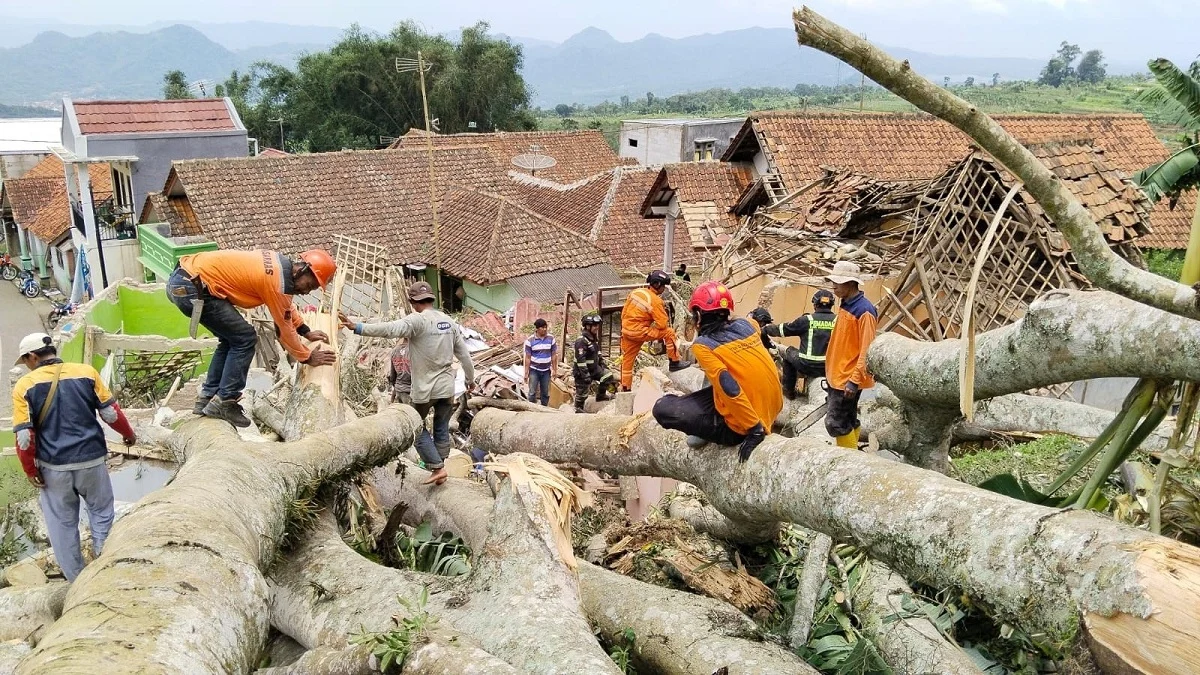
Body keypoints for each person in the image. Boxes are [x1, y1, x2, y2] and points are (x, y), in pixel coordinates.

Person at [11, 333, 137, 581]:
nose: (26, 365)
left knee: (63, 526)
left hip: (53, 468)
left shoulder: (25, 386)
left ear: (33, 356)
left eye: (25, 360)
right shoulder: (86, 372)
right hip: (91, 461)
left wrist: (30, 470)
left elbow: (24, 436)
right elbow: (111, 414)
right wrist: (128, 435)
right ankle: (104, 568)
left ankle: (77, 582)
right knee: (101, 513)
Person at [167, 248, 338, 427]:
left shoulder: (281, 269)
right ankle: (226, 400)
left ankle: (208, 398)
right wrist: (308, 357)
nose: (307, 292)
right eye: (310, 285)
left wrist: (304, 330)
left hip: (185, 280)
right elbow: (284, 330)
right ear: (302, 270)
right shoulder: (278, 283)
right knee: (245, 338)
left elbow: (284, 308)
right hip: (193, 287)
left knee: (230, 339)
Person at [341, 281, 476, 486]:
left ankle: (437, 468)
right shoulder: (449, 322)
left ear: (413, 302)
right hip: (447, 388)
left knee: (414, 428)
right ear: (432, 298)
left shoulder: (417, 320)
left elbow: (390, 329)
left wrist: (358, 327)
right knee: (440, 426)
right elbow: (465, 356)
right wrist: (470, 380)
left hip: (425, 390)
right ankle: (442, 465)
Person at [652, 282, 782, 463]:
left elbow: (729, 387)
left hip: (741, 426)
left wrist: (754, 429)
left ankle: (704, 433)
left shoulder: (704, 346)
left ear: (697, 315)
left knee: (663, 408)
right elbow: (754, 322)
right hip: (771, 409)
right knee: (712, 382)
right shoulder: (747, 325)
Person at [823, 261, 878, 449]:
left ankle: (848, 456)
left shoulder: (865, 311)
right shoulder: (846, 304)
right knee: (849, 418)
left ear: (851, 283)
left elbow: (866, 350)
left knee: (835, 423)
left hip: (847, 377)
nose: (834, 286)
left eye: (838, 282)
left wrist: (854, 380)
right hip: (838, 374)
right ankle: (853, 450)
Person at [761, 290, 838, 399]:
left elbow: (782, 330)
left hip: (806, 365)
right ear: (831, 305)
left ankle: (789, 392)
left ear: (815, 305)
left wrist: (765, 329)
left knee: (788, 352)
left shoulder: (806, 320)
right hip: (829, 368)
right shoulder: (839, 321)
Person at [620, 270, 685, 391]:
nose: (664, 289)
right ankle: (674, 362)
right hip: (640, 331)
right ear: (657, 284)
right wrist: (652, 326)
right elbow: (662, 324)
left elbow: (624, 313)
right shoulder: (655, 301)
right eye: (663, 286)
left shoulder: (636, 292)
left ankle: (625, 387)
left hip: (627, 330)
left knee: (627, 360)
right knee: (669, 332)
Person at [572, 313, 615, 413]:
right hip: (582, 372)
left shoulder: (593, 339)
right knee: (582, 393)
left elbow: (597, 353)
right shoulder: (581, 341)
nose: (597, 328)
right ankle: (578, 409)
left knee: (607, 375)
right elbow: (581, 360)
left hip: (594, 369)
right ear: (587, 326)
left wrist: (602, 362)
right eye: (595, 325)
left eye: (597, 325)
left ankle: (601, 395)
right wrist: (586, 375)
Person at [524, 318, 558, 406]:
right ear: (537, 329)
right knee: (532, 392)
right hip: (534, 370)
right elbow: (528, 358)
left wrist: (555, 370)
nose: (545, 329)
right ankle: (531, 409)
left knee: (545, 393)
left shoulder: (551, 338)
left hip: (546, 370)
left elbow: (554, 355)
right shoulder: (530, 341)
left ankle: (544, 409)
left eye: (545, 327)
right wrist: (526, 373)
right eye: (542, 328)